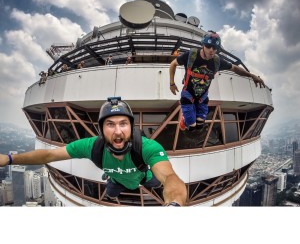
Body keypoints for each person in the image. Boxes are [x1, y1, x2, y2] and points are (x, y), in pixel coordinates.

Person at [0, 97, 187, 206]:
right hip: (117, 180)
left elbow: (170, 177)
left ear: (132, 127)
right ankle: (113, 182)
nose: (118, 131)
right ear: (101, 129)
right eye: (110, 124)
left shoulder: (148, 147)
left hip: (144, 177)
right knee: (112, 194)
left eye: (123, 123)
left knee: (157, 183)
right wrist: (9, 159)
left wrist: (174, 207)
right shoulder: (91, 146)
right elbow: (49, 155)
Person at [169, 30, 266, 132]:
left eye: (215, 48)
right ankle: (185, 119)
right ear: (203, 45)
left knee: (200, 125)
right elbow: (173, 64)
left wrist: (252, 75)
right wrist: (172, 83)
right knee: (192, 127)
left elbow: (235, 68)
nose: (211, 50)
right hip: (188, 94)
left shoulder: (217, 62)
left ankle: (194, 116)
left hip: (202, 96)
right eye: (208, 46)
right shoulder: (191, 55)